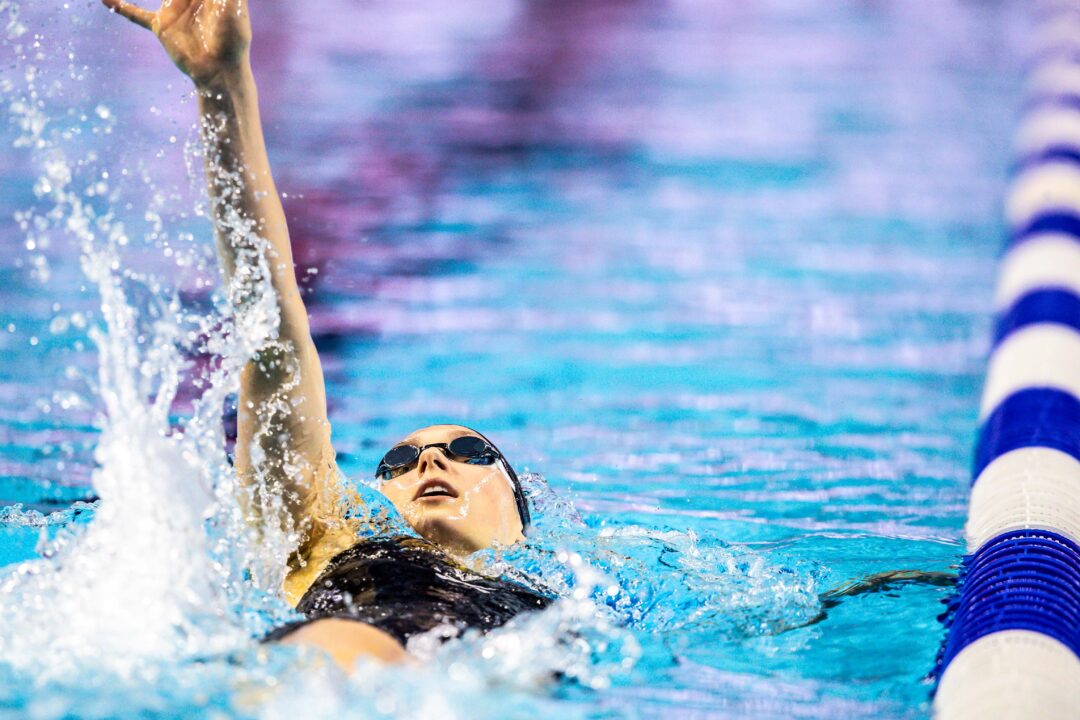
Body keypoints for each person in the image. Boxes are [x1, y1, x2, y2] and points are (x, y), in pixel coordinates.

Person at [101, 0, 552, 671]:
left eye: (465, 449)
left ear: (519, 510)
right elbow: (274, 339)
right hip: (350, 658)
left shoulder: (556, 606)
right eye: (394, 465)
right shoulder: (328, 543)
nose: (428, 464)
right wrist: (223, 87)